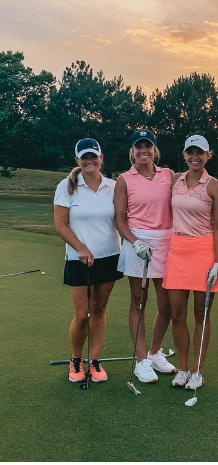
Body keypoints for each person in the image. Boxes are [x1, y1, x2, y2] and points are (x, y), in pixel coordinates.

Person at [52, 139, 123, 384]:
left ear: (101, 158)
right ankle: (75, 360)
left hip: (109, 256)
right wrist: (80, 247)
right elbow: (60, 224)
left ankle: (94, 361)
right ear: (77, 161)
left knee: (100, 310)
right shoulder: (67, 186)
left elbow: (122, 220)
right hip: (78, 259)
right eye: (84, 157)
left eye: (93, 156)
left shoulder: (113, 186)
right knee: (82, 314)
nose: (89, 160)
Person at [163, 136, 218, 390]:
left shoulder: (214, 186)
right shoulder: (174, 180)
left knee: (201, 314)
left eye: (200, 152)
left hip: (203, 251)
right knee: (177, 314)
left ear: (207, 155)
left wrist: (217, 261)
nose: (195, 157)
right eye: (190, 152)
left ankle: (198, 371)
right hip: (177, 251)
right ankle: (184, 368)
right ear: (184, 154)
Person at [114, 129, 176, 384]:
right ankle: (141, 360)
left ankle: (154, 352)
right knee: (139, 300)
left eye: (147, 146)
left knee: (167, 304)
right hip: (136, 241)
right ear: (132, 151)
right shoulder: (124, 179)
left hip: (166, 242)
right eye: (138, 146)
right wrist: (134, 241)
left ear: (154, 150)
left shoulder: (168, 175)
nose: (143, 151)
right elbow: (119, 219)